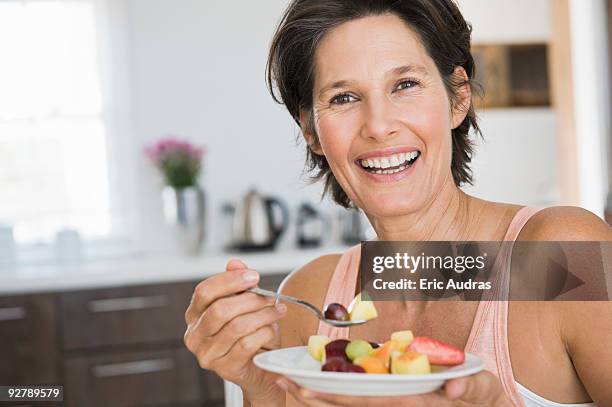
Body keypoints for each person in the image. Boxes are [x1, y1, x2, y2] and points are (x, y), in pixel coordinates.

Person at [184, 1, 612, 405]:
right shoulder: (307, 299)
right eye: (343, 97)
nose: (378, 125)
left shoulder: (561, 257)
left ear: (458, 97)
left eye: (405, 85)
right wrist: (263, 388)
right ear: (310, 131)